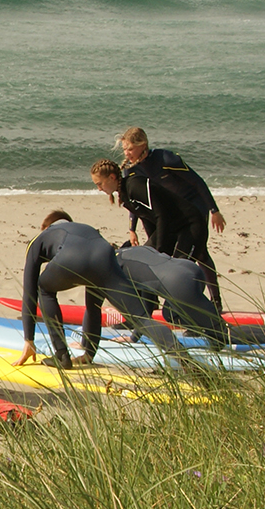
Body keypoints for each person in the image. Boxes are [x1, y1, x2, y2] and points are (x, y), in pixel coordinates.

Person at [13, 212, 189, 370]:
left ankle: (61, 355)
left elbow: (29, 292)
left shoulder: (40, 239)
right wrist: (90, 352)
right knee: (141, 319)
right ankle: (187, 360)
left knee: (44, 288)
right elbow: (93, 305)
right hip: (105, 255)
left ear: (45, 228)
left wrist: (29, 339)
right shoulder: (85, 230)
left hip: (71, 258)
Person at [113, 245, 265, 355]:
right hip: (189, 268)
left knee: (224, 334)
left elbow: (142, 310)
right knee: (170, 313)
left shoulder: (115, 268)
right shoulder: (129, 250)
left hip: (179, 285)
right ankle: (210, 331)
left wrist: (134, 337)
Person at [118, 127, 225, 305]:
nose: (127, 154)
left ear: (142, 145)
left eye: (130, 149)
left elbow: (197, 182)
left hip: (192, 205)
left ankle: (216, 300)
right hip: (168, 210)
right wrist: (132, 229)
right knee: (157, 250)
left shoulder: (166, 159)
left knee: (199, 252)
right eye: (124, 150)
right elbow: (137, 202)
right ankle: (154, 301)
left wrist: (214, 210)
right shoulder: (131, 171)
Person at [91, 159, 202, 265]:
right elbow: (147, 220)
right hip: (170, 228)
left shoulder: (135, 185)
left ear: (112, 177)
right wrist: (153, 248)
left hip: (189, 224)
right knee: (146, 261)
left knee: (179, 268)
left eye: (100, 184)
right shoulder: (125, 196)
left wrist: (159, 251)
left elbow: (161, 215)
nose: (99, 189)